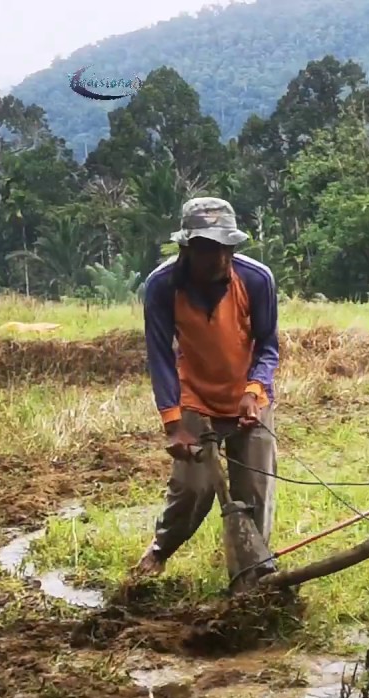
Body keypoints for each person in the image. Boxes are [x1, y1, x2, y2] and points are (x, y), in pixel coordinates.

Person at [132, 196, 280, 577]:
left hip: (248, 397)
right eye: (209, 250)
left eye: (226, 249)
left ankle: (252, 569)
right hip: (194, 398)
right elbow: (161, 355)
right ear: (187, 248)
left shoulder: (256, 279)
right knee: (192, 490)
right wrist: (173, 423)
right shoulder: (162, 286)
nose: (220, 259)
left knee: (256, 489)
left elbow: (268, 345)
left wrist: (255, 390)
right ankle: (160, 550)